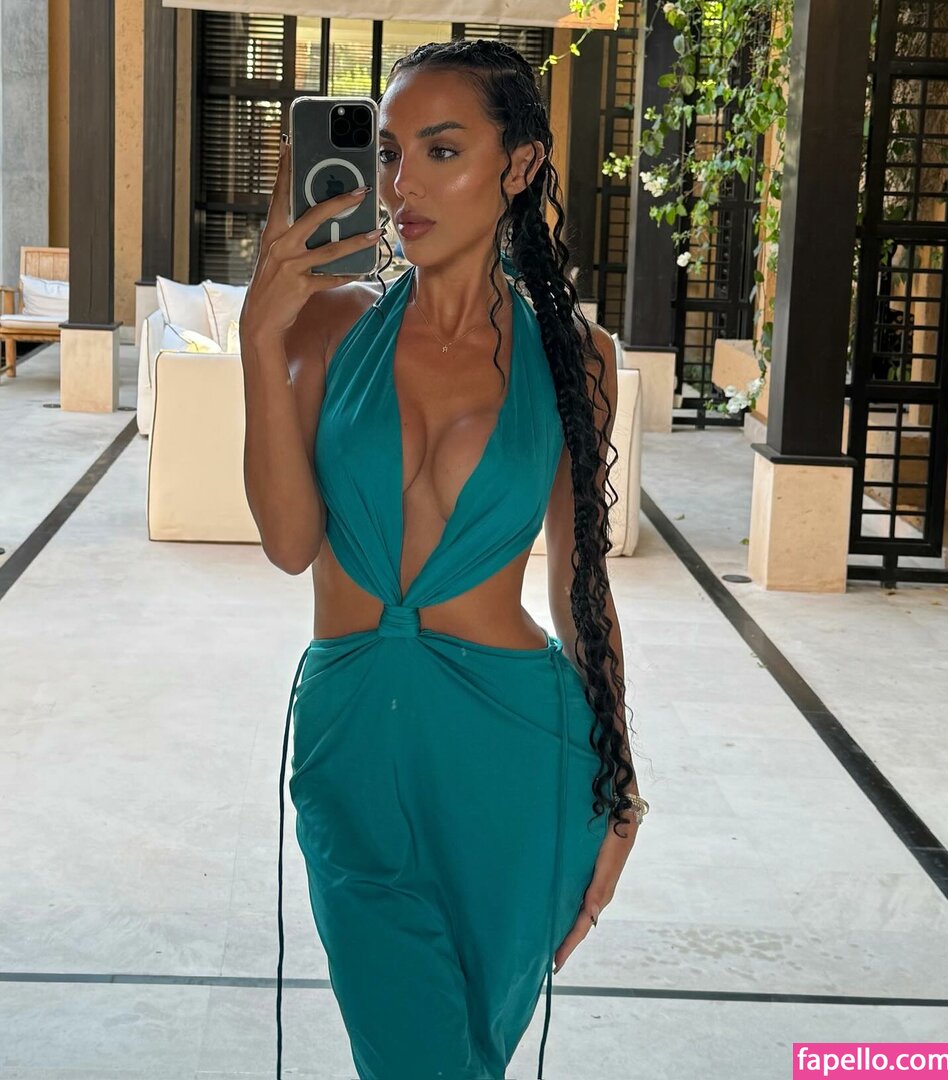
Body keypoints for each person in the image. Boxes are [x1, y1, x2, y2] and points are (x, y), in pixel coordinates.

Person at [240, 37, 648, 1080]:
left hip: (518, 753)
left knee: (464, 1055)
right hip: (352, 743)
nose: (400, 184)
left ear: (519, 165)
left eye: (441, 149)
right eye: (387, 152)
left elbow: (578, 586)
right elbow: (289, 545)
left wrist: (621, 786)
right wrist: (257, 337)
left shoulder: (576, 358)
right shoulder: (324, 328)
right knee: (414, 1050)